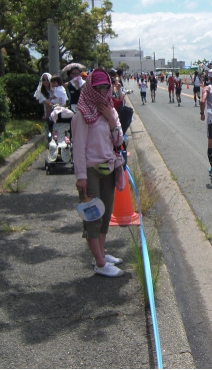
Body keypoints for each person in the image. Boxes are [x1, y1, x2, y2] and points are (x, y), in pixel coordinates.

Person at [71, 69, 125, 277]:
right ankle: (100, 263)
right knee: (93, 217)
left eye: (105, 87)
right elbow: (78, 148)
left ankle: (101, 254)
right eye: (98, 87)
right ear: (90, 88)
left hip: (109, 167)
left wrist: (111, 119)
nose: (102, 91)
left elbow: (119, 141)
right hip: (91, 171)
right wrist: (81, 176)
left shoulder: (110, 110)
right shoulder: (81, 115)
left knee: (105, 215)